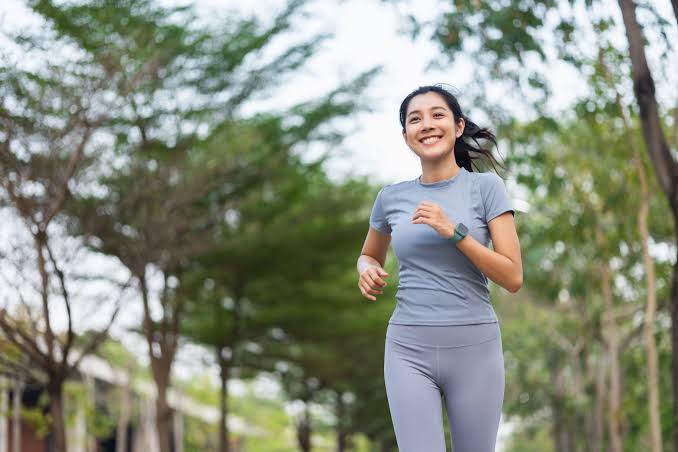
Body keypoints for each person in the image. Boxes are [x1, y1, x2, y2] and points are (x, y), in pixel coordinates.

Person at [356, 84, 523, 452]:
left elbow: (512, 277)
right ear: (406, 136)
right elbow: (369, 254)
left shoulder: (486, 188)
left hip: (475, 348)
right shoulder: (390, 198)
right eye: (415, 119)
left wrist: (455, 232)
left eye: (437, 115)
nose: (426, 124)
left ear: (458, 126)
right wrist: (365, 267)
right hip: (407, 347)